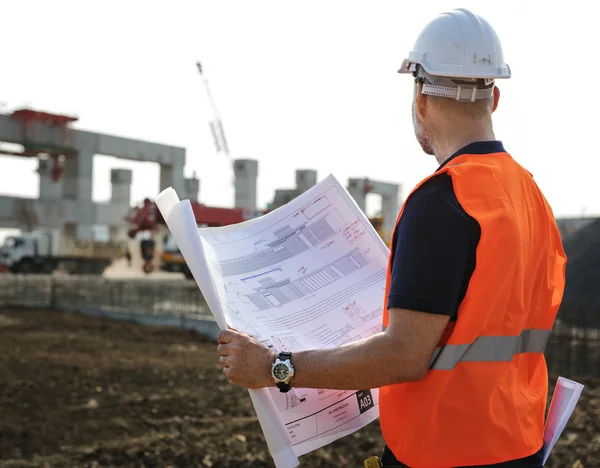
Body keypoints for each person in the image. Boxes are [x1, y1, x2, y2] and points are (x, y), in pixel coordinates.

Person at [216, 8, 567, 467]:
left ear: (420, 96)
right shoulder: (531, 195)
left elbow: (405, 355)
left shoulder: (442, 200)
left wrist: (276, 367)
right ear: (494, 97)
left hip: (445, 453)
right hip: (518, 445)